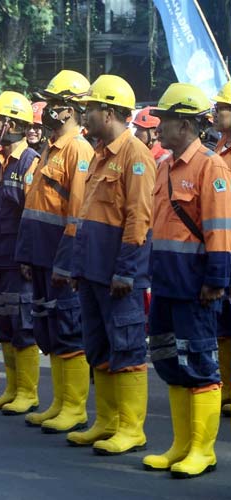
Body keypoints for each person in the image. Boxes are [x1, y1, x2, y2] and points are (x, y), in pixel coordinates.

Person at [142, 83, 231, 478]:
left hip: (196, 284)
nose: (158, 125)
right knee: (168, 363)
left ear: (185, 123)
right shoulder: (163, 165)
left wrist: (217, 277)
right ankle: (181, 444)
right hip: (164, 282)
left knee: (200, 364)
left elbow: (220, 228)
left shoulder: (211, 166)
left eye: (165, 119)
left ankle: (202, 449)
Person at [65, 75, 156, 455]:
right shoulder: (100, 153)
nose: (86, 113)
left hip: (117, 275)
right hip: (92, 270)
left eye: (91, 107)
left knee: (128, 347)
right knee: (98, 347)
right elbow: (87, 214)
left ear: (110, 111)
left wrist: (127, 271)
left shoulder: (136, 156)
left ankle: (131, 428)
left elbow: (139, 219)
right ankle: (105, 421)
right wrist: (77, 265)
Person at [15, 70, 94, 433]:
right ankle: (60, 401)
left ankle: (75, 407)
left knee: (68, 328)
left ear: (71, 109)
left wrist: (67, 262)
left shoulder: (79, 149)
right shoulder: (50, 146)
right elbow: (35, 206)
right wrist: (28, 255)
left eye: (55, 103)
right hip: (41, 254)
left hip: (60, 258)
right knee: (49, 328)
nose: (47, 109)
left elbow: (76, 214)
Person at [0, 92, 41, 413]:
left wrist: (29, 256)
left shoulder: (30, 162)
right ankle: (12, 388)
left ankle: (28, 393)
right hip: (0, 256)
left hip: (19, 261)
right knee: (3, 323)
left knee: (23, 324)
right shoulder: (1, 162)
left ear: (13, 124)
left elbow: (32, 216)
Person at [211, 80, 231, 417]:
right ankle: (227, 390)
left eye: (221, 108)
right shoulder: (221, 148)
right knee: (225, 323)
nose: (215, 113)